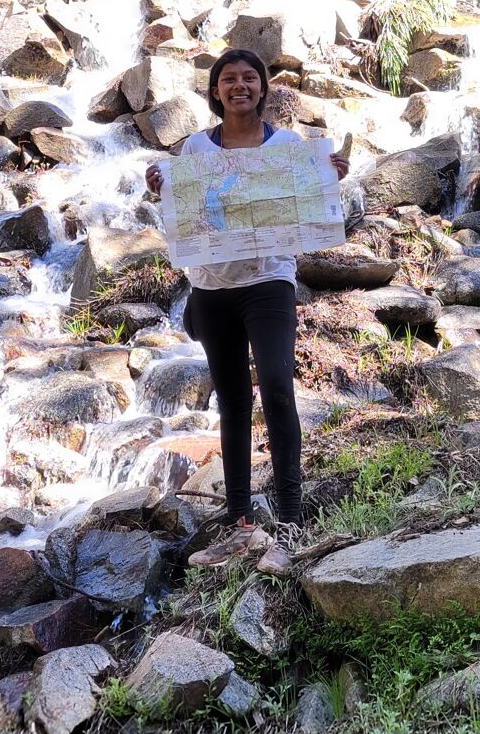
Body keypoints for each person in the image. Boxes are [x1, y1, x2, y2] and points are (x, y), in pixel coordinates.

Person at [145, 48, 349, 574]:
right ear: (215, 91)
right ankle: (239, 519)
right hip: (210, 288)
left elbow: (313, 203)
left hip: (268, 283)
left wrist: (330, 178)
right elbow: (185, 213)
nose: (240, 85)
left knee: (278, 388)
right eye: (229, 79)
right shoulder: (194, 147)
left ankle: (290, 515)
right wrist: (160, 190)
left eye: (249, 78)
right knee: (233, 401)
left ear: (263, 89)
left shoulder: (288, 146)